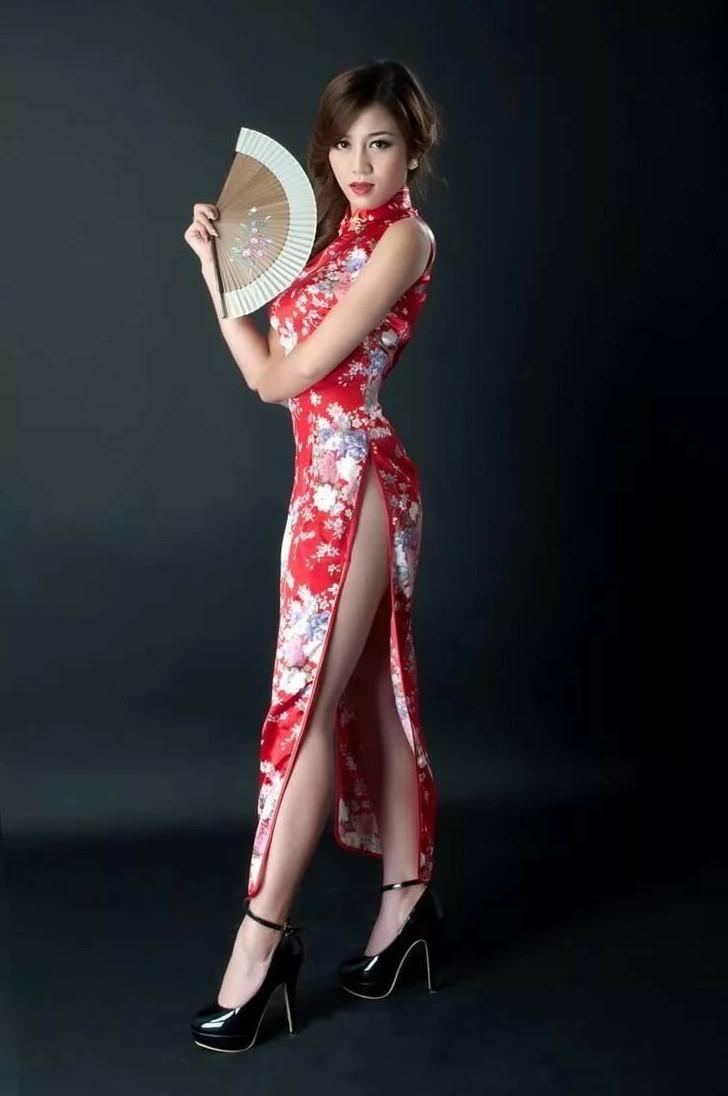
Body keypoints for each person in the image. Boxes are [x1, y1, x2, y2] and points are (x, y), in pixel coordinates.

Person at [183, 58, 445, 1053]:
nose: (357, 163)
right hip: (320, 485)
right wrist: (221, 275)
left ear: (413, 148)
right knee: (370, 691)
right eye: (341, 144)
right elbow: (271, 371)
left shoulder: (404, 240)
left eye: (379, 143)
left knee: (302, 712)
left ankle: (260, 948)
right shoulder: (336, 238)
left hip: (356, 482)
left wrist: (227, 292)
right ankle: (407, 907)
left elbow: (282, 377)